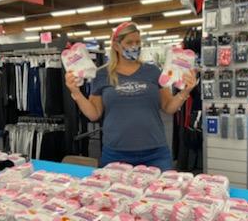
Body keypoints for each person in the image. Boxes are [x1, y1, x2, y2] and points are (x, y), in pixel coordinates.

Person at [65, 22, 196, 171]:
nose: (135, 46)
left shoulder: (153, 71)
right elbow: (94, 114)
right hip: (115, 153)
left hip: (156, 153)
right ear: (116, 46)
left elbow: (168, 107)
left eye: (138, 42)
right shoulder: (102, 74)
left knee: (160, 193)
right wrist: (75, 91)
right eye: (129, 42)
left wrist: (185, 91)